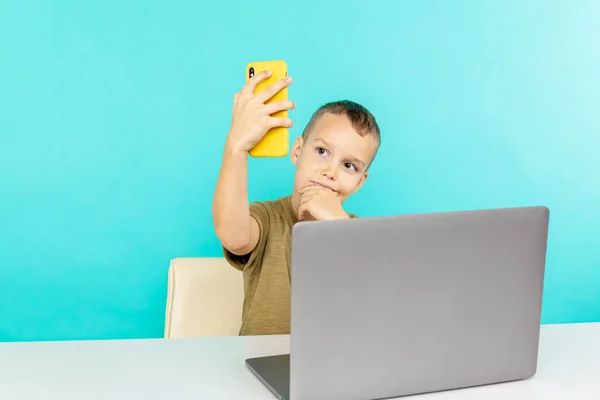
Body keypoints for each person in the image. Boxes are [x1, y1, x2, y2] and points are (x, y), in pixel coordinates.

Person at [212, 69, 381, 335]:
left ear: (360, 182)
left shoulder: (360, 237)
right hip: (261, 364)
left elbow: (381, 291)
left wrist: (338, 225)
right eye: (322, 152)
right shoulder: (267, 218)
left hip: (333, 369)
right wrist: (237, 146)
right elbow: (233, 236)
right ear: (297, 151)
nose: (330, 172)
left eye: (349, 165)